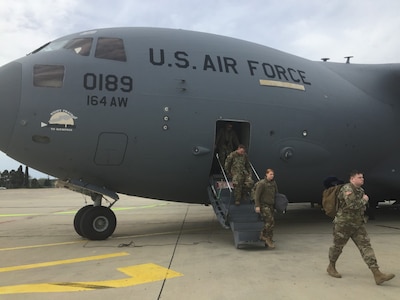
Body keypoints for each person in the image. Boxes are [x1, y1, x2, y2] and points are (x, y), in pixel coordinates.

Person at [327, 170, 395, 285]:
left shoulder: (360, 190)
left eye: (362, 177)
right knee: (337, 247)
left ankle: (377, 274)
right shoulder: (347, 189)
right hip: (344, 224)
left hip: (357, 225)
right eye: (359, 177)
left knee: (366, 246)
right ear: (352, 179)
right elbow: (352, 205)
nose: (362, 179)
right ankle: (331, 266)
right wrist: (364, 200)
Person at [254, 169, 278, 248]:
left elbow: (276, 193)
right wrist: (257, 206)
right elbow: (257, 196)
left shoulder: (273, 183)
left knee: (272, 223)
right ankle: (265, 236)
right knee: (269, 221)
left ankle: (269, 238)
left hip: (271, 205)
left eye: (273, 174)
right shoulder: (262, 183)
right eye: (270, 174)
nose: (272, 176)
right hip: (264, 205)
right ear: (266, 174)